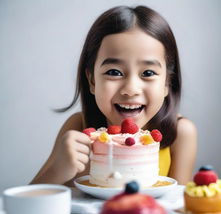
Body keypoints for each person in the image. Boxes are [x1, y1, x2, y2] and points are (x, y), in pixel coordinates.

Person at [31, 5, 197, 186]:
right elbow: (24, 205)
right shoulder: (79, 127)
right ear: (92, 81)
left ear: (167, 83)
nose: (131, 89)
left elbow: (179, 204)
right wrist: (58, 171)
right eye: (114, 72)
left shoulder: (180, 133)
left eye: (148, 73)